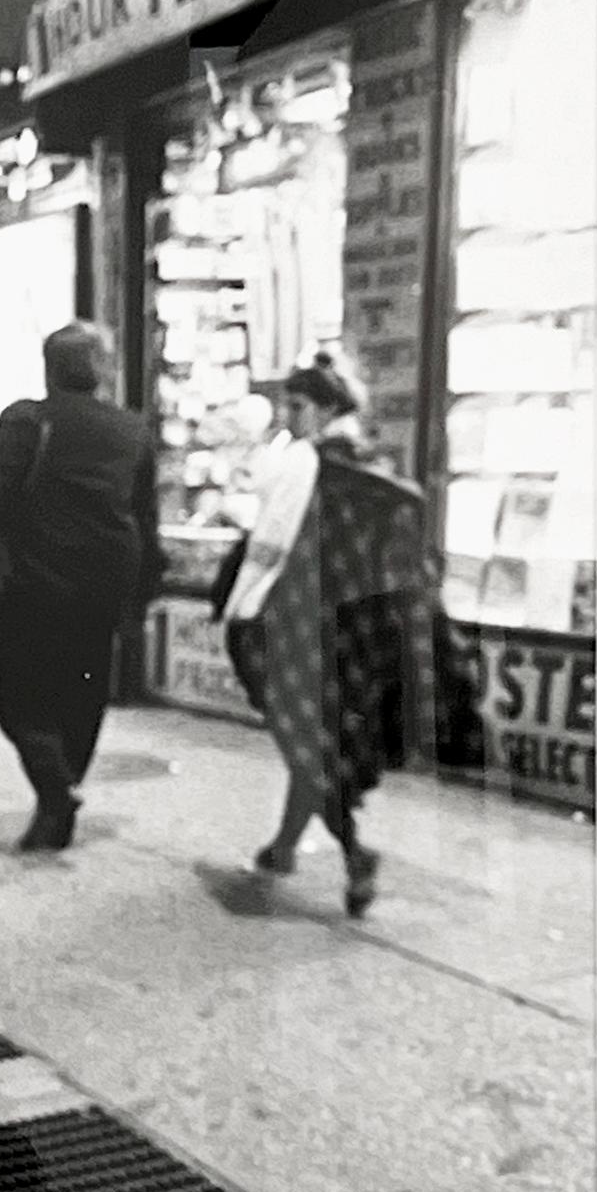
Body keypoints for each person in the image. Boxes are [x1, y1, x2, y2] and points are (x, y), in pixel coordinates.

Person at [223, 353, 432, 918]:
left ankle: (355, 854)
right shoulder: (366, 463)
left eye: (298, 405)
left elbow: (269, 544)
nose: (289, 416)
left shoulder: (305, 461)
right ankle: (282, 849)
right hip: (352, 625)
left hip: (293, 619)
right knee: (311, 741)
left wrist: (241, 608)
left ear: (325, 407)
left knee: (305, 743)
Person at [0, 320, 161, 854]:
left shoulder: (26, 420)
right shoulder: (131, 430)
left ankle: (54, 791)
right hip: (103, 589)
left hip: (35, 585)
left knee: (16, 700)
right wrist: (140, 597)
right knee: (84, 692)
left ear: (49, 369)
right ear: (99, 369)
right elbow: (146, 517)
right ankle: (62, 789)